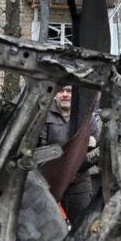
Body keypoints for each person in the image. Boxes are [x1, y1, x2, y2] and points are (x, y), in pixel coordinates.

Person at [39, 86, 99, 223]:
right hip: (50, 181)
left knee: (83, 225)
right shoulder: (44, 114)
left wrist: (87, 155)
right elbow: (39, 149)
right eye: (61, 91)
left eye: (69, 91)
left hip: (79, 180)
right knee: (45, 226)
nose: (65, 95)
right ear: (55, 94)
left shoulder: (86, 117)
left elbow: (98, 145)